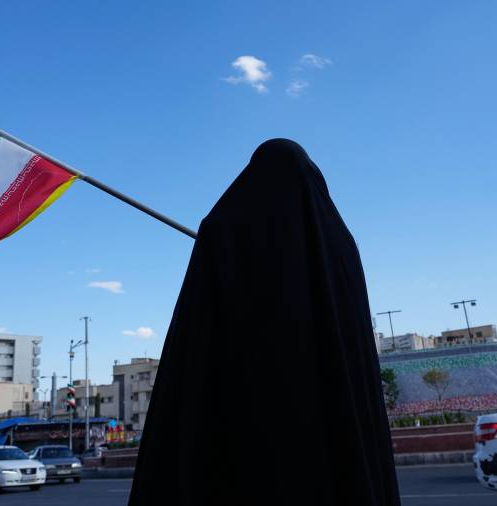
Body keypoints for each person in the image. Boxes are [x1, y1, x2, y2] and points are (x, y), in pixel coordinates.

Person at [128, 140, 401, 505]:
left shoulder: (224, 229)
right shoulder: (339, 244)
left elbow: (195, 348)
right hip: (330, 428)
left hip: (239, 430)